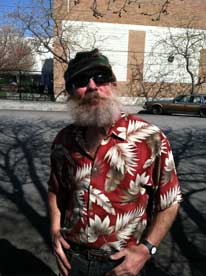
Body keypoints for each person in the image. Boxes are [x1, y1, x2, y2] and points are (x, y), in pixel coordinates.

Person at [48, 49, 182, 276]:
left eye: (100, 77)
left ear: (113, 83)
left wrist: (147, 249)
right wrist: (54, 231)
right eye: (81, 81)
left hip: (122, 265)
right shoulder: (64, 141)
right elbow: (55, 190)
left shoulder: (150, 138)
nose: (92, 86)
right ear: (71, 93)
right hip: (72, 261)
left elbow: (170, 202)